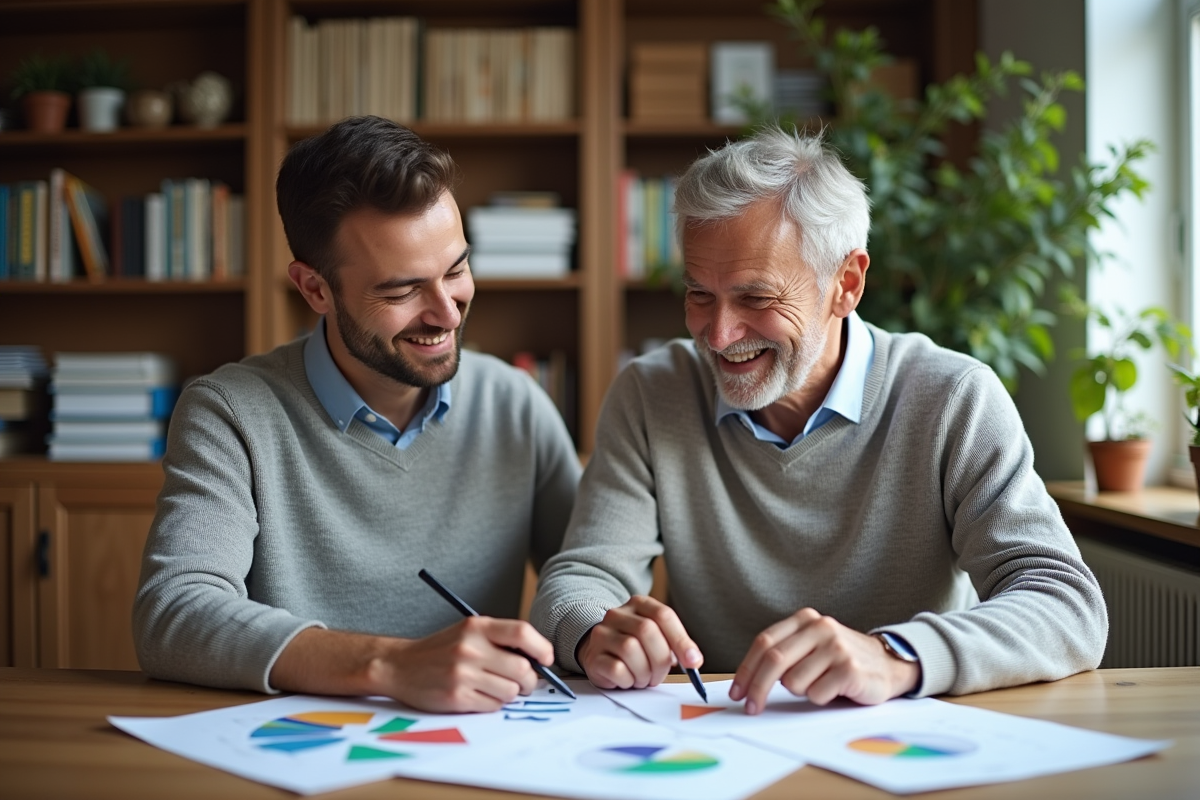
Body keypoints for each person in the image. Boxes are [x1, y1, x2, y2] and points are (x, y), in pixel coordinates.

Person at [530, 125, 1106, 712]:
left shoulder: (953, 397)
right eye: (699, 293)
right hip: (724, 730)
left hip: (904, 737)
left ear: (846, 285)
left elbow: (1065, 604)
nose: (720, 334)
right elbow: (576, 581)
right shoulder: (652, 394)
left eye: (756, 298)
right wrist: (596, 629)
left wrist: (895, 657)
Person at [134, 116, 581, 713]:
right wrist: (389, 665)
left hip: (478, 747)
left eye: (456, 270)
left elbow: (585, 573)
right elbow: (174, 612)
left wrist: (604, 624)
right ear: (315, 289)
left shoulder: (516, 403)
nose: (447, 314)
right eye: (402, 292)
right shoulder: (230, 413)